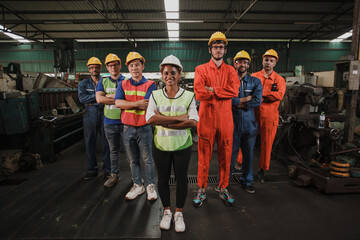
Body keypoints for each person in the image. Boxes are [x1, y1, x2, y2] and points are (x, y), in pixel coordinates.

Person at [146, 55, 198, 232]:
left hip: (182, 145)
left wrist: (163, 121)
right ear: (162, 74)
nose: (169, 76)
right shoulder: (155, 95)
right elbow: (150, 118)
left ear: (180, 74)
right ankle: (167, 211)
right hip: (161, 145)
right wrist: (176, 118)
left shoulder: (189, 96)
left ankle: (179, 213)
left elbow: (193, 122)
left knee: (182, 180)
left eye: (173, 72)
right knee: (163, 180)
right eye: (166, 72)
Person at [193, 32, 240, 207]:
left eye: (221, 47)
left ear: (225, 49)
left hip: (226, 121)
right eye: (215, 47)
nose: (218, 50)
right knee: (203, 155)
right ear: (210, 49)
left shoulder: (231, 70)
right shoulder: (201, 69)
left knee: (226, 155)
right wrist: (221, 92)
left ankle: (223, 187)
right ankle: (202, 188)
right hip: (206, 119)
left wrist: (212, 89)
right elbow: (199, 93)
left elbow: (234, 91)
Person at [114, 52, 158, 201]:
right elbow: (118, 103)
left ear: (142, 66)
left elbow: (147, 105)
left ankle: (150, 186)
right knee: (133, 160)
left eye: (137, 65)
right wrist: (135, 104)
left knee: (147, 159)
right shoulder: (123, 84)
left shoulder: (150, 84)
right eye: (131, 65)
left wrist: (128, 104)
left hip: (144, 127)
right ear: (128, 67)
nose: (134, 68)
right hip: (127, 128)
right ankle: (138, 185)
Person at [229, 50, 262, 193]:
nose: (242, 64)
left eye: (245, 62)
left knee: (248, 155)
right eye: (239, 61)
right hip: (232, 124)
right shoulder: (229, 81)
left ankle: (247, 181)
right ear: (235, 64)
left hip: (249, 125)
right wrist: (243, 100)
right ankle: (225, 182)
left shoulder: (255, 81)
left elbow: (257, 100)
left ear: (248, 65)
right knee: (229, 155)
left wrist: (238, 103)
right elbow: (226, 100)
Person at [252, 49, 286, 183]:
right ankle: (239, 164)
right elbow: (249, 91)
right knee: (247, 139)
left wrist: (260, 94)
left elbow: (279, 95)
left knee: (267, 144)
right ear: (262, 61)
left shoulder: (279, 79)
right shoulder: (254, 76)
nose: (268, 63)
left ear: (275, 63)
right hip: (253, 114)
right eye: (266, 60)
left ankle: (262, 169)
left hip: (270, 117)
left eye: (271, 61)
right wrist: (266, 96)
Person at [96, 53, 126, 188]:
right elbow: (99, 99)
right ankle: (114, 176)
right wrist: (118, 98)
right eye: (110, 65)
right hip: (109, 122)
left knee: (131, 152)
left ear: (120, 65)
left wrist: (108, 96)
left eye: (115, 65)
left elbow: (129, 99)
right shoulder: (103, 81)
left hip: (125, 122)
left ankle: (136, 179)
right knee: (113, 151)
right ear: (107, 68)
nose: (113, 67)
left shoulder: (126, 81)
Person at [78, 57, 110, 181]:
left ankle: (107, 170)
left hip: (104, 112)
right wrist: (99, 97)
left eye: (96, 67)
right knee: (89, 142)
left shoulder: (106, 81)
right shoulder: (83, 84)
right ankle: (92, 170)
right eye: (91, 67)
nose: (94, 69)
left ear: (100, 68)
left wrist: (93, 99)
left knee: (106, 142)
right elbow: (82, 99)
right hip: (89, 114)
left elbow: (109, 96)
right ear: (89, 69)